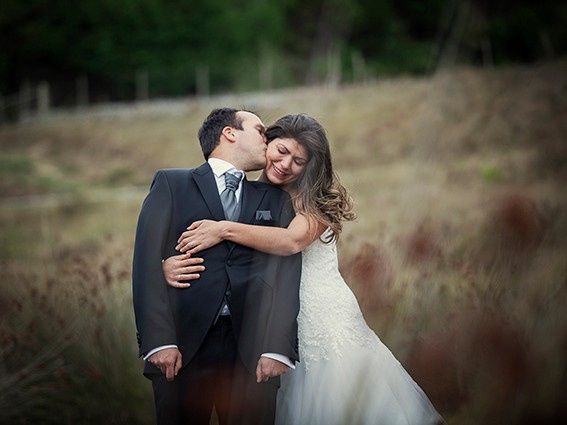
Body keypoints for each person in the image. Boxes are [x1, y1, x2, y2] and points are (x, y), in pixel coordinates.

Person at [163, 113, 444, 424]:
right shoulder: (246, 193)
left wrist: (223, 229)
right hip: (273, 318)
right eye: (281, 152)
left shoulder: (314, 201)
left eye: (298, 161)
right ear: (266, 143)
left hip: (321, 316)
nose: (285, 164)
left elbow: (290, 242)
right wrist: (167, 265)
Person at [132, 108, 302, 425]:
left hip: (252, 355)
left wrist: (277, 347)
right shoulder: (172, 183)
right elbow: (144, 263)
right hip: (182, 348)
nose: (268, 139)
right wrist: (159, 341)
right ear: (229, 133)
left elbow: (287, 274)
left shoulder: (274, 199)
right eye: (260, 130)